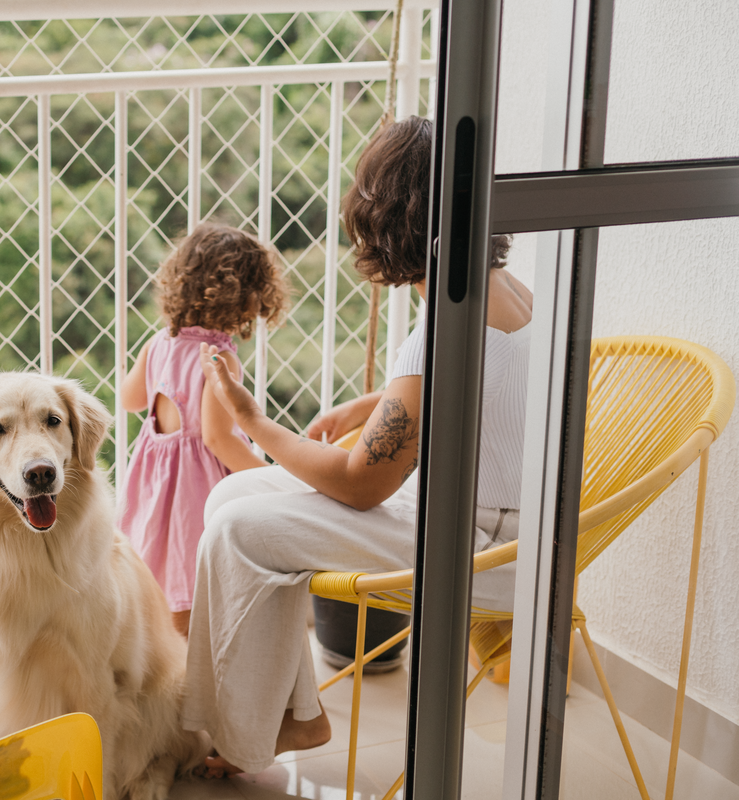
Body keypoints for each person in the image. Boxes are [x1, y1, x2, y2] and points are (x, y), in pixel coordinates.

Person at [182, 116, 531, 775]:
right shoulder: (505, 290)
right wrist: (373, 404)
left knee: (237, 530)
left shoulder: (446, 323)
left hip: (487, 550)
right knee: (235, 491)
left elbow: (358, 481)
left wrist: (252, 418)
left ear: (391, 215)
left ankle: (242, 732)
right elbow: (476, 389)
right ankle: (290, 716)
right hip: (495, 520)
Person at [117, 222, 290, 637]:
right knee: (191, 582)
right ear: (246, 296)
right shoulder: (218, 359)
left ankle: (161, 658)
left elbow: (130, 400)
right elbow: (217, 438)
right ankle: (193, 676)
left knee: (159, 572)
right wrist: (270, 478)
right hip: (196, 488)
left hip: (154, 480)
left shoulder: (160, 343)